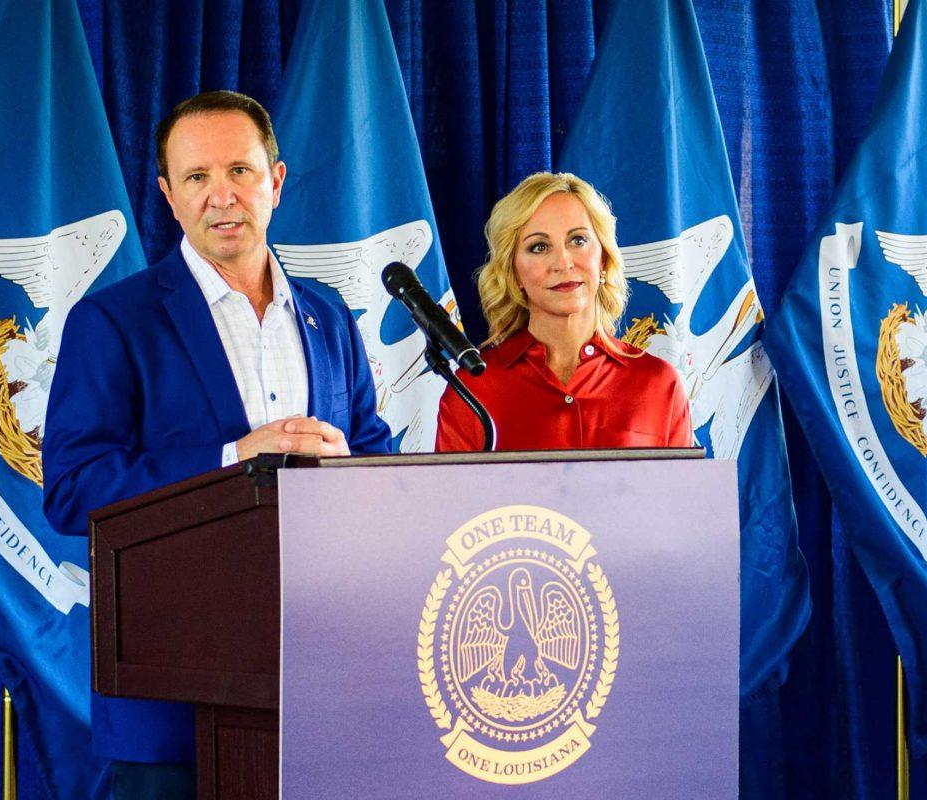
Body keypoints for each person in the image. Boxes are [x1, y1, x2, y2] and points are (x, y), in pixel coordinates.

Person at [43, 91, 391, 798]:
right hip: (173, 694)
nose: (221, 195)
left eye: (240, 170)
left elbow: (372, 446)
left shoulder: (327, 315)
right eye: (197, 177)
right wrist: (234, 460)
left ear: (277, 181)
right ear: (169, 196)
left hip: (322, 683)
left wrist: (357, 475)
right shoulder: (113, 321)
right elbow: (73, 489)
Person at [436, 172, 692, 451]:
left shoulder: (659, 385)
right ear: (514, 274)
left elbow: (681, 494)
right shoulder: (473, 391)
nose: (563, 261)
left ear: (603, 259)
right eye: (539, 247)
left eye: (578, 240)